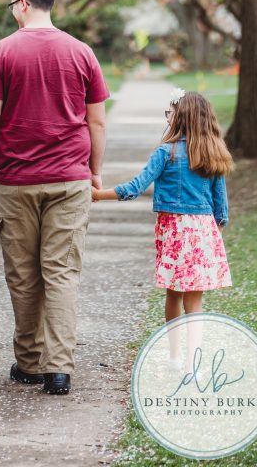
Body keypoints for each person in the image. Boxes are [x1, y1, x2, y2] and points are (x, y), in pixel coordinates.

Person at [0, 0, 109, 395]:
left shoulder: (2, 52)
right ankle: (59, 370)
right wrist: (94, 170)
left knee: (23, 273)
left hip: (16, 178)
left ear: (21, 4)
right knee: (62, 272)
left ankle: (30, 362)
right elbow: (97, 120)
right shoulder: (82, 52)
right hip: (69, 178)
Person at [92, 90, 233, 368]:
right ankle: (194, 362)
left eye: (170, 113)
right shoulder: (214, 152)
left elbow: (135, 187)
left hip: (175, 231)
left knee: (173, 294)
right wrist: (214, 232)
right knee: (195, 302)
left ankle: (175, 356)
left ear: (180, 117)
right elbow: (221, 206)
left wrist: (98, 194)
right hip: (203, 231)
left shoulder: (165, 152)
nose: (167, 118)